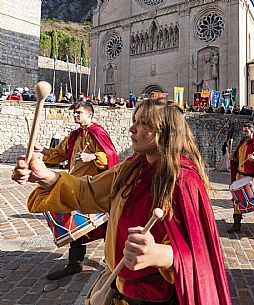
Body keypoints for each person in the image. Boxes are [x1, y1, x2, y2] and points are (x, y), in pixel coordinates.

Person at [12, 99, 232, 305]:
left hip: (156, 295)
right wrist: (46, 176)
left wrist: (160, 254)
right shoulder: (131, 168)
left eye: (143, 124)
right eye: (134, 121)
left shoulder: (184, 180)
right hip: (119, 284)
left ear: (166, 133)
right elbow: (87, 190)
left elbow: (200, 257)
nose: (132, 129)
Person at [34, 101, 119, 280]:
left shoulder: (98, 133)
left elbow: (111, 155)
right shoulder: (74, 135)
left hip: (93, 187)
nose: (75, 115)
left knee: (107, 227)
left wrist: (93, 156)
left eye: (79, 113)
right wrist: (43, 150)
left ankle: (114, 263)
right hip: (75, 185)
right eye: (74, 113)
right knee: (75, 225)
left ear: (90, 114)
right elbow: (60, 154)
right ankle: (74, 264)